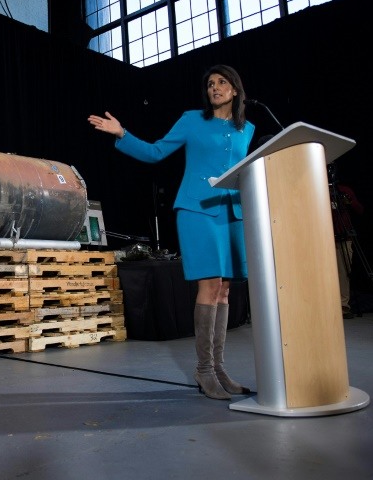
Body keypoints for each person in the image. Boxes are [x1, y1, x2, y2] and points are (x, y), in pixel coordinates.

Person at [88, 65, 255, 400]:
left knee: (224, 290)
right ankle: (204, 370)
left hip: (231, 213)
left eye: (222, 82)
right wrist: (122, 134)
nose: (215, 88)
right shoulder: (192, 120)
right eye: (210, 83)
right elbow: (156, 152)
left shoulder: (246, 129)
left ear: (235, 90)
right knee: (210, 286)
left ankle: (219, 368)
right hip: (198, 210)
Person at [329, 168, 364, 319]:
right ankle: (327, 305)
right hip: (325, 237)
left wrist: (349, 201)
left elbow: (360, 210)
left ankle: (343, 306)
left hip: (344, 236)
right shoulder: (319, 190)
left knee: (343, 273)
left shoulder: (343, 190)